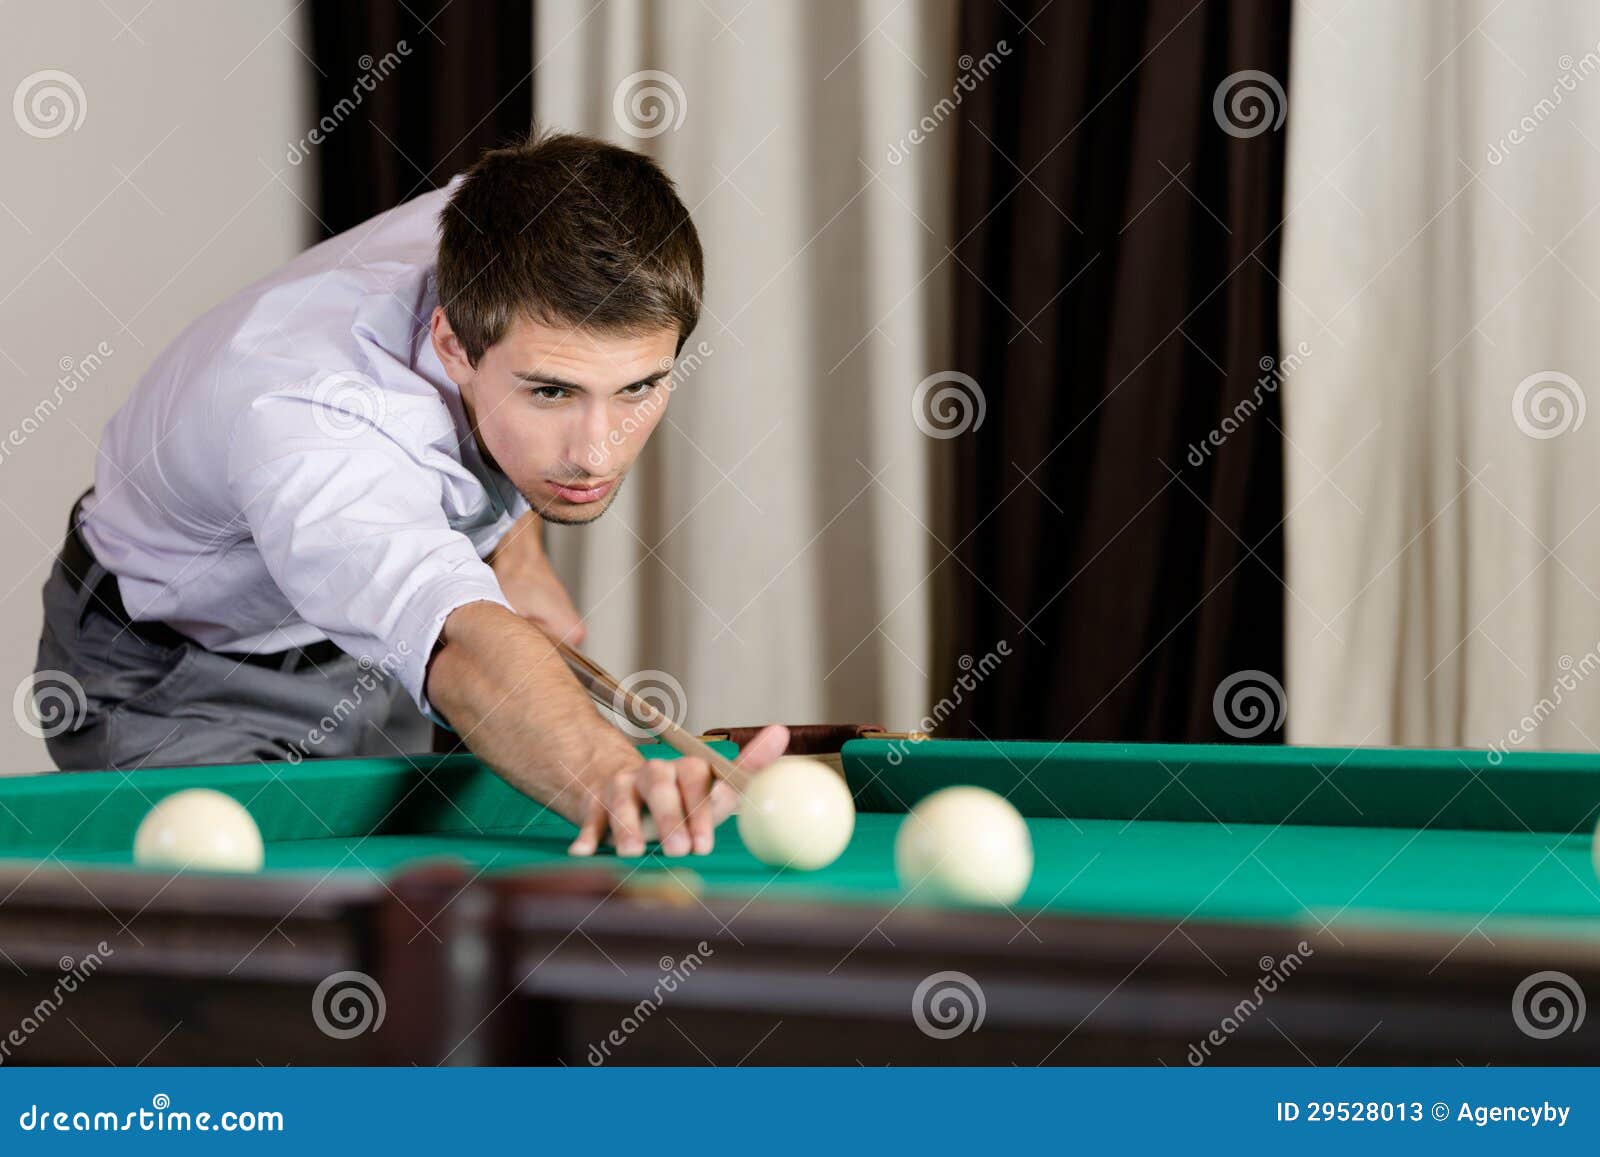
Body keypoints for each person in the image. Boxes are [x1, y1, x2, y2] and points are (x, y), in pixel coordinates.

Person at [34, 129, 787, 857]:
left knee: (406, 921)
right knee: (263, 943)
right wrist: (615, 777)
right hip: (178, 671)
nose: (596, 452)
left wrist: (512, 552)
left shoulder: (508, 224)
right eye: (552, 391)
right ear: (452, 342)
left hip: (356, 655)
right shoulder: (309, 420)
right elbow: (459, 646)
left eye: (639, 388)